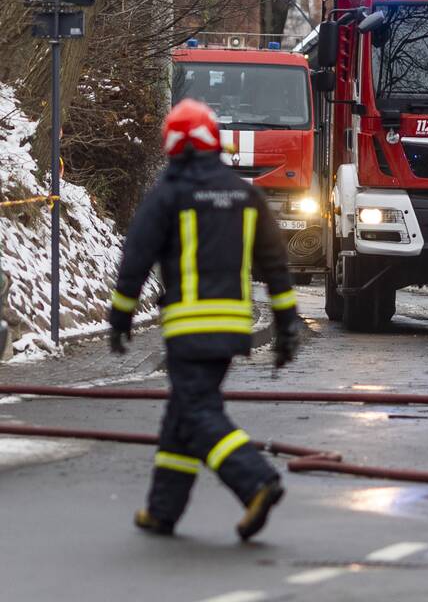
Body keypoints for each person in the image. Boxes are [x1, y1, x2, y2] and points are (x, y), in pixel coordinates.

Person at [109, 99, 301, 541]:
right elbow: (275, 265)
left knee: (197, 411)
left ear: (173, 144)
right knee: (183, 414)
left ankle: (256, 480)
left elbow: (136, 257)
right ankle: (163, 512)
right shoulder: (244, 194)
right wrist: (287, 324)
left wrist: (120, 315)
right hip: (231, 329)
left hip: (189, 329)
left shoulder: (170, 194)